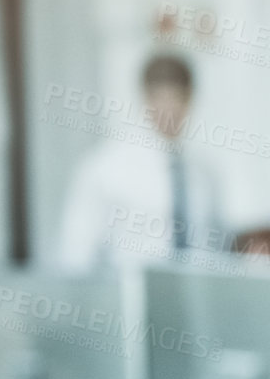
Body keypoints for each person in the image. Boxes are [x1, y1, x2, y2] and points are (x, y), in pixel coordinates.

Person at [54, 53, 225, 273]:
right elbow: (76, 255)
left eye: (178, 99)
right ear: (145, 99)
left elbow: (216, 250)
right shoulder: (105, 169)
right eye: (161, 99)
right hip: (127, 301)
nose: (170, 111)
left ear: (190, 100)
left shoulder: (204, 175)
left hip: (196, 300)